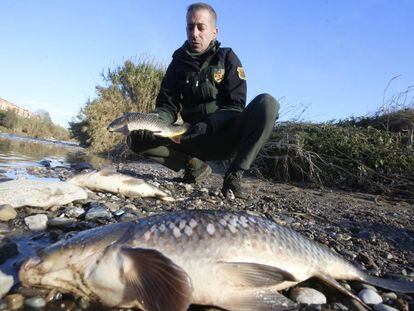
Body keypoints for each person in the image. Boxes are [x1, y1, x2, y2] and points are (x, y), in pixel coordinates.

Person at [127, 2, 279, 199]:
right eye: (190, 27)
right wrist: (153, 121)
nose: (194, 33)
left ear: (214, 32)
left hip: (226, 136)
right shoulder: (177, 63)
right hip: (189, 136)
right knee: (136, 138)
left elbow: (235, 105)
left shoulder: (228, 58)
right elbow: (166, 105)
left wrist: (207, 125)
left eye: (201, 27)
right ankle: (193, 166)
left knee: (268, 103)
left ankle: (234, 176)